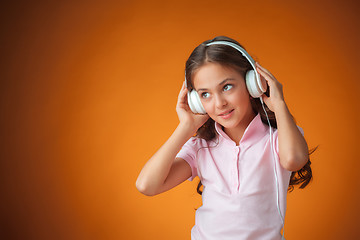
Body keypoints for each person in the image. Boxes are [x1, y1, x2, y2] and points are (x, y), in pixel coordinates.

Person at [136, 36, 314, 240]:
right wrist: (186, 127)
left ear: (252, 83)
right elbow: (146, 185)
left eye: (227, 87)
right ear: (196, 102)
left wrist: (279, 104)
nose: (219, 103)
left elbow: (294, 160)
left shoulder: (279, 137)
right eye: (205, 94)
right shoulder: (200, 148)